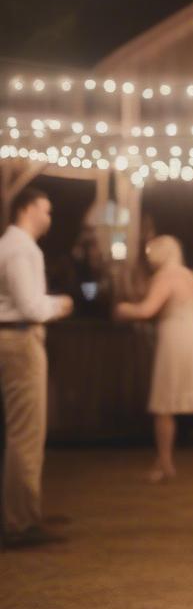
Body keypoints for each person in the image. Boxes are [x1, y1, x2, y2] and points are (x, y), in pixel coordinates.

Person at [115, 236, 193, 483]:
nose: (148, 256)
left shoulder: (167, 276)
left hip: (175, 340)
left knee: (164, 403)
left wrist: (124, 309)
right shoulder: (189, 276)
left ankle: (165, 462)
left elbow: (147, 310)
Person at [0, 187, 73, 547]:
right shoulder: (21, 249)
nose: (49, 218)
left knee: (18, 434)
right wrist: (59, 304)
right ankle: (21, 522)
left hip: (11, 338)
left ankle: (22, 510)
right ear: (28, 209)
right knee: (26, 435)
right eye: (46, 210)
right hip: (19, 339)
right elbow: (30, 307)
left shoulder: (10, 246)